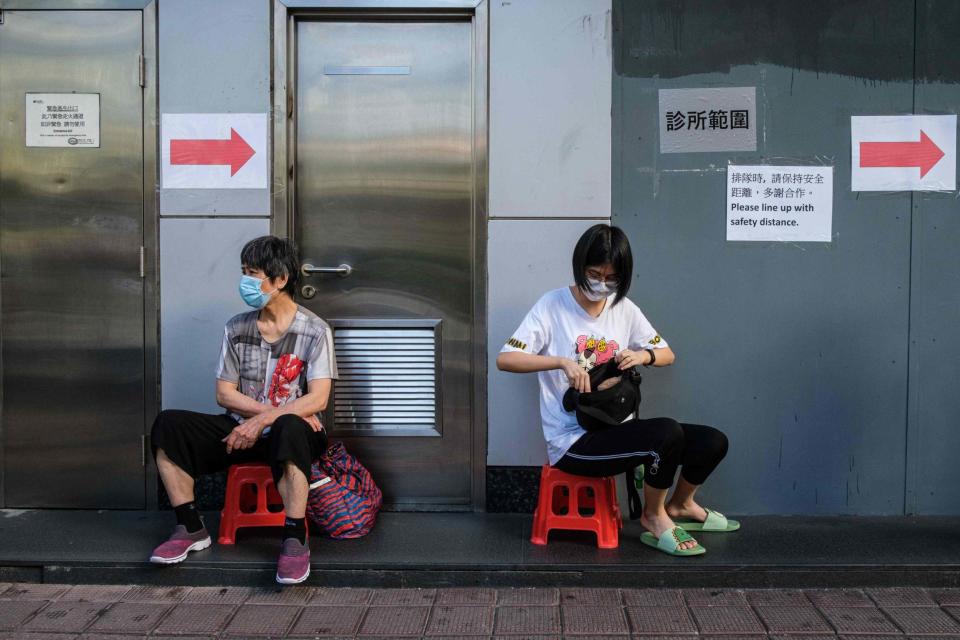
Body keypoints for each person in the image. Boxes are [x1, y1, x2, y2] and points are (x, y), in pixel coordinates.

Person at [496, 224, 736, 556]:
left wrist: (642, 355)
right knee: (665, 434)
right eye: (595, 274)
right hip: (574, 441)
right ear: (580, 266)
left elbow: (667, 354)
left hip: (618, 428)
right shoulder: (552, 306)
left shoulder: (623, 309)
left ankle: (681, 504)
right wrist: (561, 363)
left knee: (712, 441)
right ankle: (654, 516)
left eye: (612, 279)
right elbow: (506, 359)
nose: (602, 285)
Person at [148, 235, 337, 583]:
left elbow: (318, 399)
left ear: (280, 280)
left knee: (290, 426)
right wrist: (254, 420)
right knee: (168, 425)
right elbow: (225, 393)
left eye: (254, 273)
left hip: (293, 435)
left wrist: (264, 419)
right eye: (244, 272)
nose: (245, 281)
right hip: (238, 430)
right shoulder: (237, 327)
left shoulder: (314, 331)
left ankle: (295, 539)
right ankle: (190, 528)